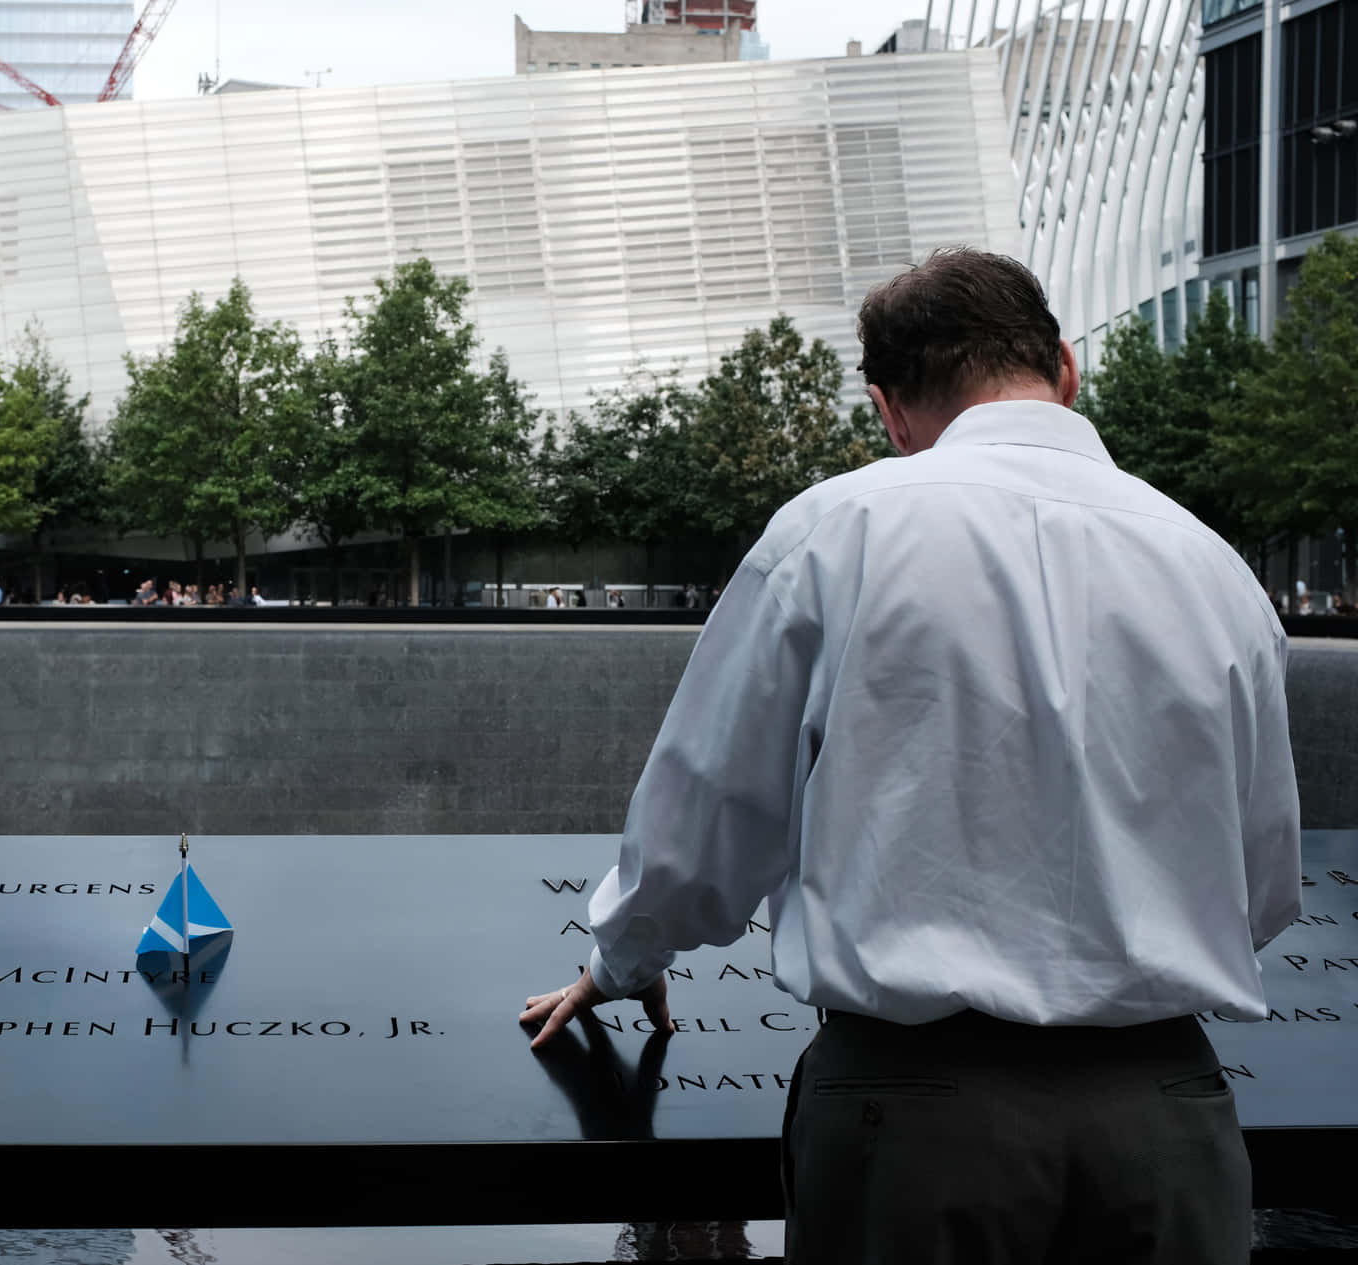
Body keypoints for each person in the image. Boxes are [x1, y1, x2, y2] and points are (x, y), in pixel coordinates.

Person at [518, 248, 1300, 1265]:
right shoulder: (1214, 569)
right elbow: (1264, 884)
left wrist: (621, 959)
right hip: (1166, 1118)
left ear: (888, 411)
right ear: (1066, 368)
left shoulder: (835, 535)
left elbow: (705, 818)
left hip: (916, 1123)